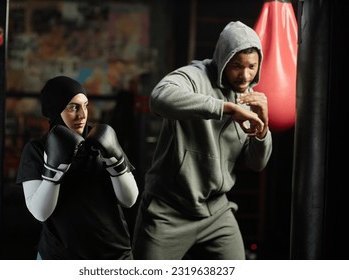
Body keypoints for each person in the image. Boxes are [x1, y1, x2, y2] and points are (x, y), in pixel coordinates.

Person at [132, 21, 272, 260]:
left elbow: (256, 164)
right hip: (168, 211)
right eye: (237, 66)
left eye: (251, 67)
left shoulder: (251, 97)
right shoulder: (194, 76)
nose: (245, 75)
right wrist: (225, 108)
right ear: (223, 59)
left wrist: (262, 130)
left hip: (217, 212)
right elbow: (159, 98)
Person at [16, 75, 139, 259]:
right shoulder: (37, 149)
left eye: (85, 105)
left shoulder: (102, 141)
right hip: (59, 258)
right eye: (73, 107)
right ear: (56, 110)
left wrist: (116, 161)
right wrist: (54, 172)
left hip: (114, 255)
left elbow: (130, 200)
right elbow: (40, 213)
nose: (82, 115)